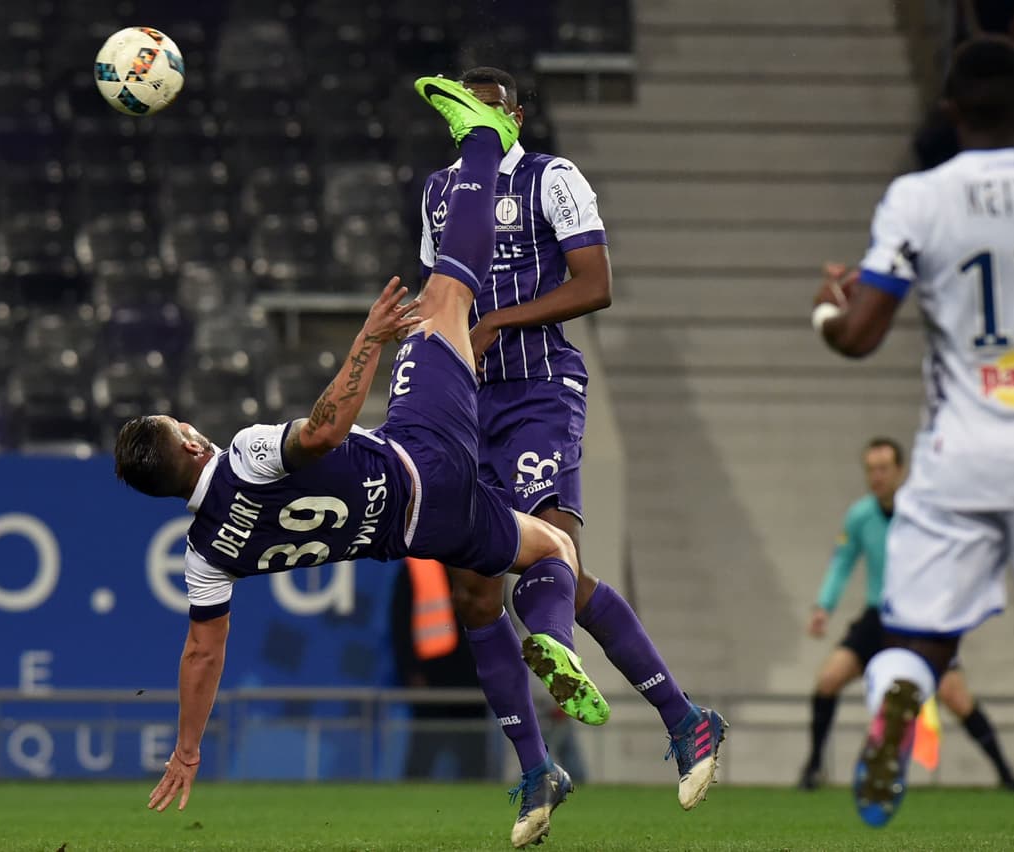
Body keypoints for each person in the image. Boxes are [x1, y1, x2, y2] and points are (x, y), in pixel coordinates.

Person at [116, 78, 724, 849]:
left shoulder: (205, 555)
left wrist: (186, 749)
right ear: (190, 444)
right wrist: (372, 342)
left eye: (492, 107)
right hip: (428, 448)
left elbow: (202, 651)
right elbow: (323, 431)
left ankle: (631, 718)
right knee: (446, 308)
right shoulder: (247, 453)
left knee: (546, 549)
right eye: (181, 425)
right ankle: (554, 746)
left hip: (486, 445)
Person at [810, 36, 1014, 851]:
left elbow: (860, 335)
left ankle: (900, 699)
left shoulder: (918, 198)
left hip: (957, 456)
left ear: (950, 112)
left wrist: (827, 309)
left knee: (919, 639)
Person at [419, 65, 726, 815]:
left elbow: (595, 283)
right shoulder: (438, 192)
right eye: (465, 108)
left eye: (490, 108)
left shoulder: (551, 178)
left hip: (538, 390)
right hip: (468, 403)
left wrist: (496, 322)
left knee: (553, 550)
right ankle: (545, 769)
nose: (475, 120)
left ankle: (599, 673)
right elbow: (440, 294)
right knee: (475, 592)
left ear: (515, 117)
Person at [798, 437, 1014, 791]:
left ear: (900, 470)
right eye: (871, 469)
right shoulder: (860, 516)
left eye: (884, 468)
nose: (877, 476)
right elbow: (842, 562)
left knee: (955, 696)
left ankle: (1007, 774)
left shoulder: (922, 514)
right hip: (877, 617)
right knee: (828, 680)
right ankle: (813, 768)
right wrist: (823, 606)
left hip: (920, 619)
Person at [390, 558, 489, 780]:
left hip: (473, 680)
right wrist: (412, 673)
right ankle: (411, 800)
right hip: (431, 681)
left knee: (474, 763)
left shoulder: (483, 563)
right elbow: (400, 624)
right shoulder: (417, 567)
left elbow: (499, 621)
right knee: (422, 759)